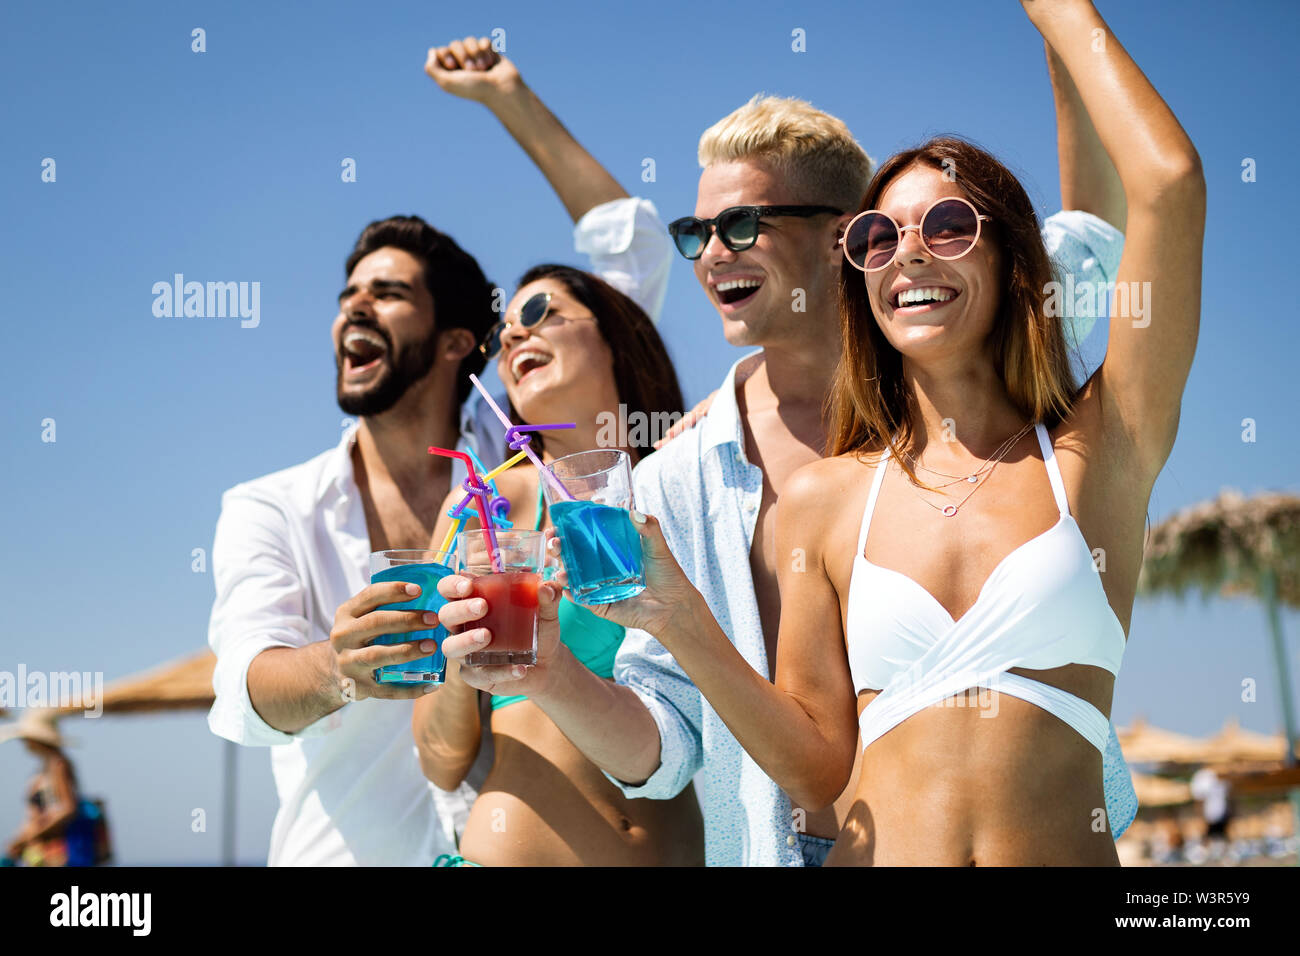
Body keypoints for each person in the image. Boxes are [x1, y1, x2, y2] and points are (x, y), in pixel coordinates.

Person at [434, 9, 1144, 865]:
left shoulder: (975, 331)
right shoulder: (675, 478)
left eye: (741, 227)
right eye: (696, 234)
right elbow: (661, 747)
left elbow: (1090, 233)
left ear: (849, 231)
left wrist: (1056, 34)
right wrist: (551, 677)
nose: (709, 256)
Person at [206, 36, 674, 865]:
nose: (355, 308)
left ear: (462, 341)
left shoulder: (518, 462)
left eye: (387, 294)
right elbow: (245, 692)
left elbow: (627, 259)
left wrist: (508, 98)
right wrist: (334, 670)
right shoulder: (269, 505)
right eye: (347, 294)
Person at [412, 264, 704, 866]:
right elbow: (440, 762)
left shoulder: (688, 485)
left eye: (539, 311)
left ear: (615, 333)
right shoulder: (484, 512)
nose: (513, 337)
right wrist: (456, 659)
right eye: (502, 335)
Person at [2, 714, 105, 867]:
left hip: (59, 852)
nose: (23, 742)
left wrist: (33, 834)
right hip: (45, 852)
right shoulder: (47, 766)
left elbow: (68, 808)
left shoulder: (58, 765)